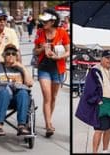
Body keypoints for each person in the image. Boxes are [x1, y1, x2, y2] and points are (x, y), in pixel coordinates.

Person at [33, 8, 70, 138]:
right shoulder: (40, 32)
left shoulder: (62, 32)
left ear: (53, 21)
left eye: (46, 21)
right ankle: (48, 124)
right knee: (47, 96)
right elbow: (35, 51)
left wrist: (58, 57)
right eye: (43, 21)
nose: (43, 23)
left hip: (58, 68)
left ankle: (49, 119)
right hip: (44, 68)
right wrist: (42, 48)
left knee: (53, 97)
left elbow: (68, 51)